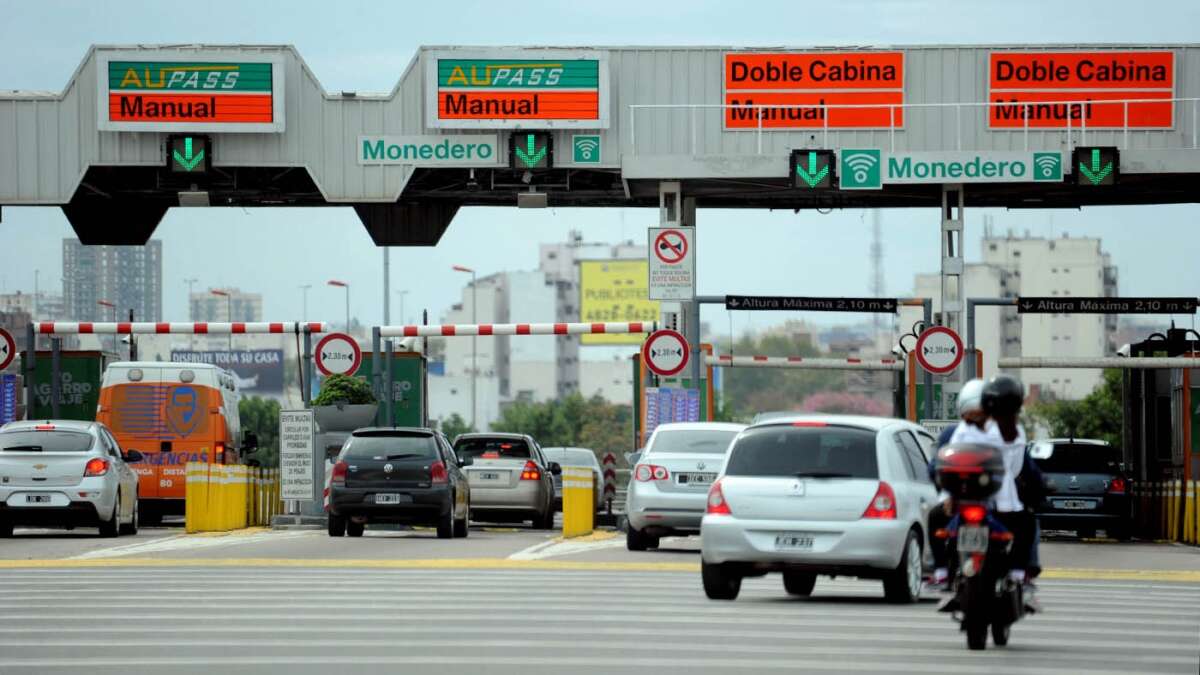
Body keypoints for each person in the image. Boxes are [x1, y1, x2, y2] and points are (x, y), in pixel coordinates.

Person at [946, 375, 1042, 612]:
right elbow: (1018, 467)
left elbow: (949, 460)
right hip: (995, 500)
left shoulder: (966, 429)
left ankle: (947, 576)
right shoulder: (1013, 432)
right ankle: (1018, 574)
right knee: (1025, 524)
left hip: (971, 496)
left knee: (947, 533)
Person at [927, 378, 987, 591]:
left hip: (992, 500)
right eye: (971, 412)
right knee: (935, 518)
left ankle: (1018, 574)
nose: (975, 416)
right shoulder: (953, 434)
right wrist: (947, 495)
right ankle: (942, 571)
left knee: (1021, 526)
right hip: (960, 499)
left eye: (980, 412)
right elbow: (937, 468)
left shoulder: (1000, 433)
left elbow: (1015, 466)